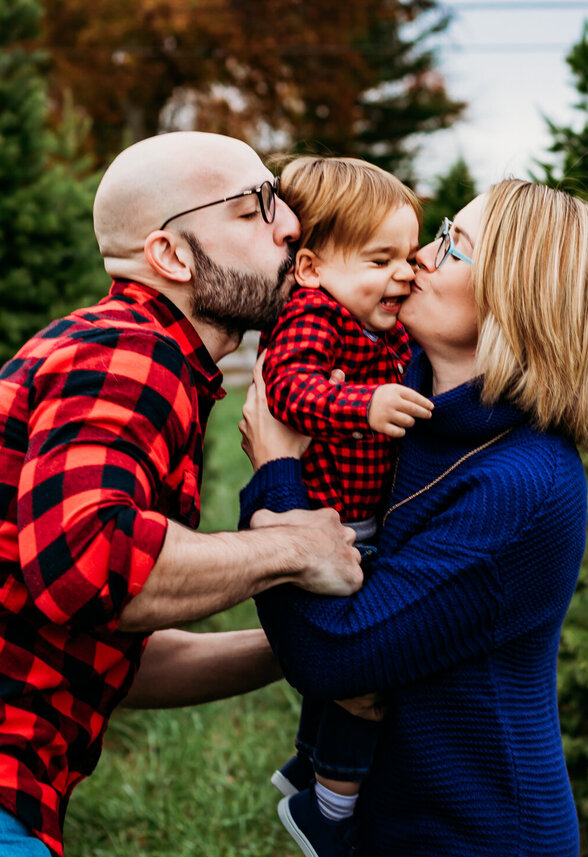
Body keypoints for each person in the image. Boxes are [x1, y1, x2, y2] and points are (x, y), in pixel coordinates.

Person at [0, 132, 364, 857]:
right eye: (253, 209)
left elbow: (111, 642)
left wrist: (302, 648)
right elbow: (93, 565)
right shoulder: (131, 349)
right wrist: (296, 547)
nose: (291, 224)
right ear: (170, 256)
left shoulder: (130, 358)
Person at [239, 179, 588, 857]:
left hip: (476, 834)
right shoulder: (400, 413)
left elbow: (335, 651)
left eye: (454, 246)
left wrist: (276, 475)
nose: (420, 254)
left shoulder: (522, 486)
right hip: (394, 823)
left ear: (518, 297)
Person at [257, 156, 433, 849]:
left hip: (352, 519)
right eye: (380, 258)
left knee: (347, 670)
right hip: (329, 523)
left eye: (409, 257)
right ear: (309, 268)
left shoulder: (372, 322)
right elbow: (288, 390)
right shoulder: (313, 314)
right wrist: (368, 402)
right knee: (364, 673)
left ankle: (311, 764)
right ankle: (327, 814)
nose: (403, 273)